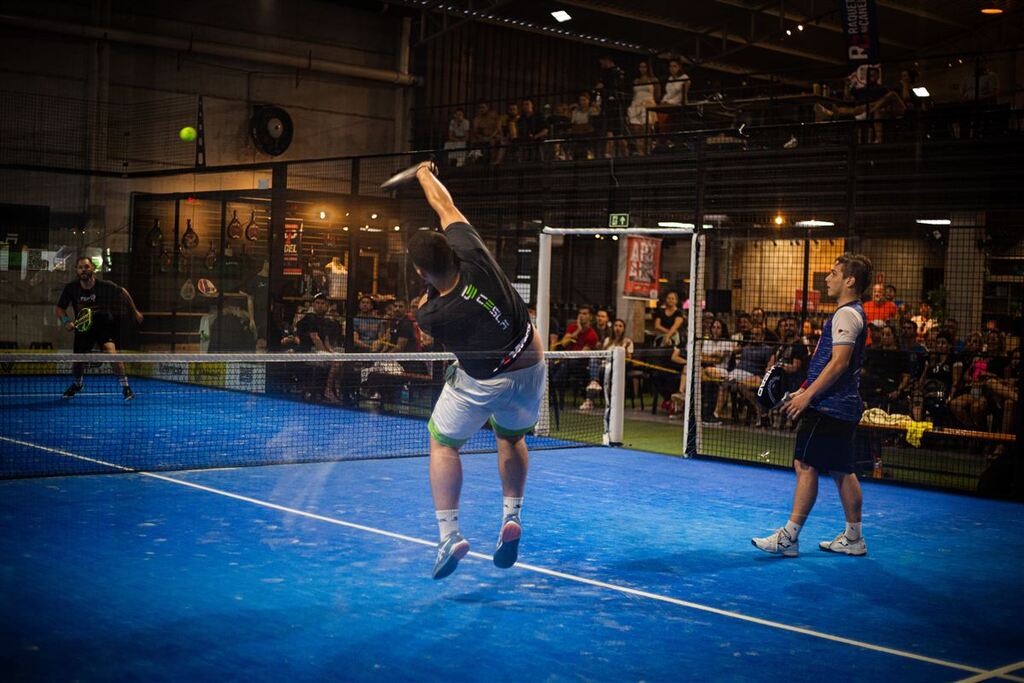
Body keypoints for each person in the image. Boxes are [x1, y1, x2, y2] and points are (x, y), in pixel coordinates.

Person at [398, 161, 545, 580]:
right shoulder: (472, 249)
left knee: (442, 444)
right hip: (530, 362)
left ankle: (449, 534)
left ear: (421, 273)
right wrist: (425, 173)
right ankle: (511, 515)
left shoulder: (433, 314)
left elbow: (426, 307)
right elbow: (445, 205)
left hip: (484, 380)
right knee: (510, 436)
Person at [752, 253, 873, 558]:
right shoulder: (851, 313)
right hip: (842, 405)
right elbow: (826, 365)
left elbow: (839, 363)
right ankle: (854, 538)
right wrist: (803, 389)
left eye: (834, 273)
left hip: (830, 407)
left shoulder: (846, 314)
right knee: (842, 469)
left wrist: (808, 397)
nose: (827, 279)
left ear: (850, 280)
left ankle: (789, 537)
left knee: (805, 465)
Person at [57, 256, 144, 401]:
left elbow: (123, 292)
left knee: (112, 355)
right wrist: (66, 321)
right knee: (77, 363)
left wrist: (135, 311)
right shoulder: (71, 288)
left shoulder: (105, 286)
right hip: (83, 329)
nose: (83, 270)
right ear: (76, 271)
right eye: (80, 267)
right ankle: (78, 384)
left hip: (104, 327)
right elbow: (60, 308)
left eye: (86, 267)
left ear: (93, 269)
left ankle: (126, 387)